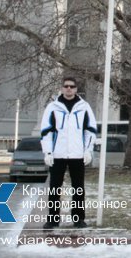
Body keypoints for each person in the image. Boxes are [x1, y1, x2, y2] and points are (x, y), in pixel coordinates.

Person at [40, 77, 97, 230]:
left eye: (72, 86)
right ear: (62, 88)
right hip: (57, 155)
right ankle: (52, 220)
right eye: (66, 86)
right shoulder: (53, 107)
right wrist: (48, 152)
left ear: (76, 88)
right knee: (54, 188)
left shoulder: (84, 107)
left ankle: (78, 219)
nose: (69, 89)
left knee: (78, 189)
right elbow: (46, 131)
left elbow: (90, 131)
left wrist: (88, 150)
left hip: (77, 155)